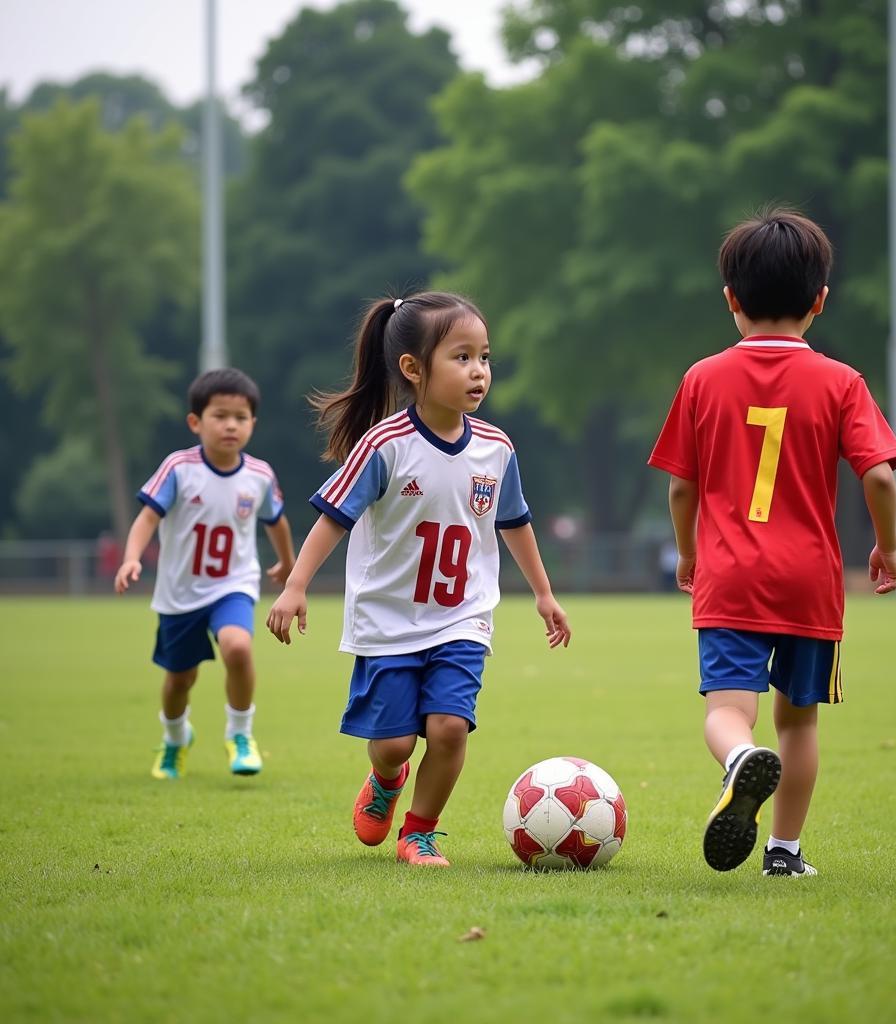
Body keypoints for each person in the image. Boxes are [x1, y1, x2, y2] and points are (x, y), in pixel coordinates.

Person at [267, 291, 571, 867]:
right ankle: (386, 781)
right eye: (461, 357)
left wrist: (544, 594)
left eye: (484, 357)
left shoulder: (497, 449)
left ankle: (420, 832)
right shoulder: (384, 446)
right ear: (413, 369)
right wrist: (296, 585)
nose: (478, 370)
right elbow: (333, 519)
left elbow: (516, 522)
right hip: (388, 621)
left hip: (462, 618)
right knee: (392, 744)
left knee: (451, 727)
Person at [648, 207, 896, 877]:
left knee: (728, 711)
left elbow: (682, 488)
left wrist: (688, 552)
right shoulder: (841, 382)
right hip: (809, 580)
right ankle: (785, 855)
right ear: (820, 301)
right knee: (798, 724)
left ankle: (738, 759)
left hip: (730, 577)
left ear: (731, 300)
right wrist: (888, 546)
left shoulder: (702, 378)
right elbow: (878, 475)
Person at [115, 368, 295, 780]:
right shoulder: (179, 469)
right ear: (196, 422)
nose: (230, 424)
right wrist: (131, 558)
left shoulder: (260, 475)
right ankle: (176, 738)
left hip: (233, 584)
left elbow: (277, 521)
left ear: (253, 423)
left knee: (238, 647)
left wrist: (288, 563)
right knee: (180, 680)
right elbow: (146, 518)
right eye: (220, 415)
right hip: (180, 593)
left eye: (240, 416)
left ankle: (240, 734)